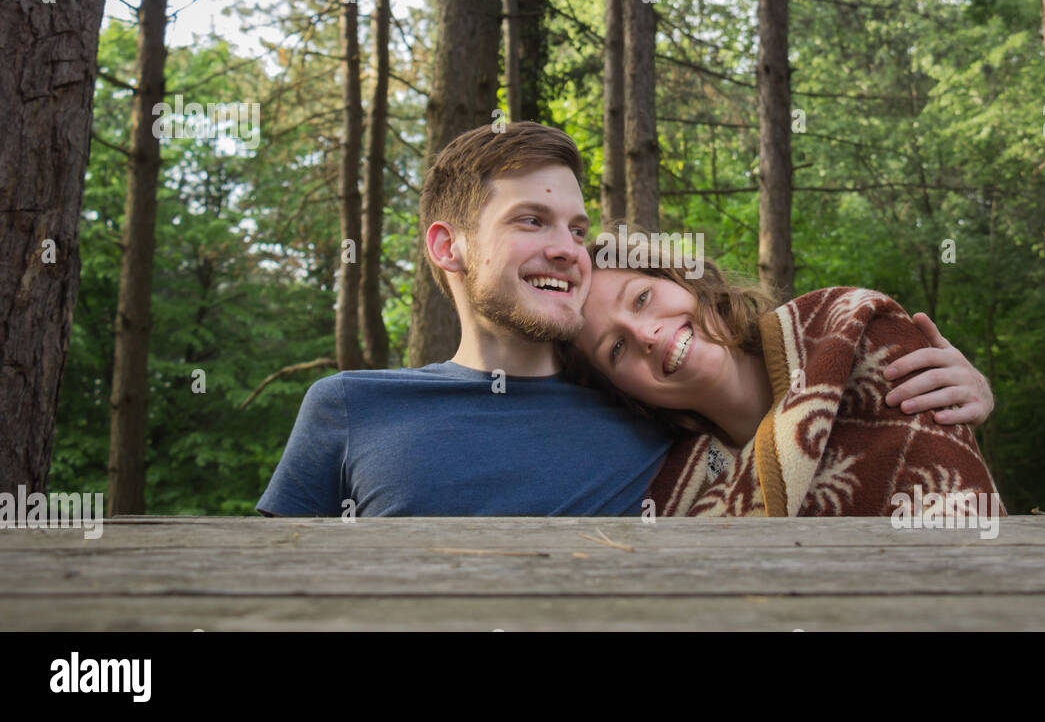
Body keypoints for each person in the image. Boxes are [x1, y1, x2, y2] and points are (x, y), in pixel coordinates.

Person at [257, 122, 993, 517]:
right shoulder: (352, 409)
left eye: (576, 228)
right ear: (448, 245)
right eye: (531, 220)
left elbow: (803, 426)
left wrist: (952, 400)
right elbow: (257, 594)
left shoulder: (649, 421)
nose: (565, 248)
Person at [560, 230, 1005, 518]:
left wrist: (975, 395)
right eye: (616, 348)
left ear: (682, 280)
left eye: (641, 299)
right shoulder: (676, 494)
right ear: (626, 394)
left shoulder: (849, 329)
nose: (646, 334)